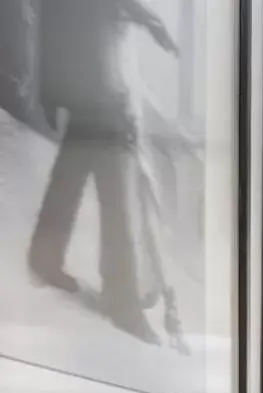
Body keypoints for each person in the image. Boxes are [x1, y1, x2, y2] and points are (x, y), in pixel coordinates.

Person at [27, 0, 177, 345]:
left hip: (90, 85)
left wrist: (50, 93)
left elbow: (50, 26)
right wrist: (152, 21)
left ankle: (45, 256)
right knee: (116, 199)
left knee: (71, 176)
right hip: (102, 90)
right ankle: (121, 300)